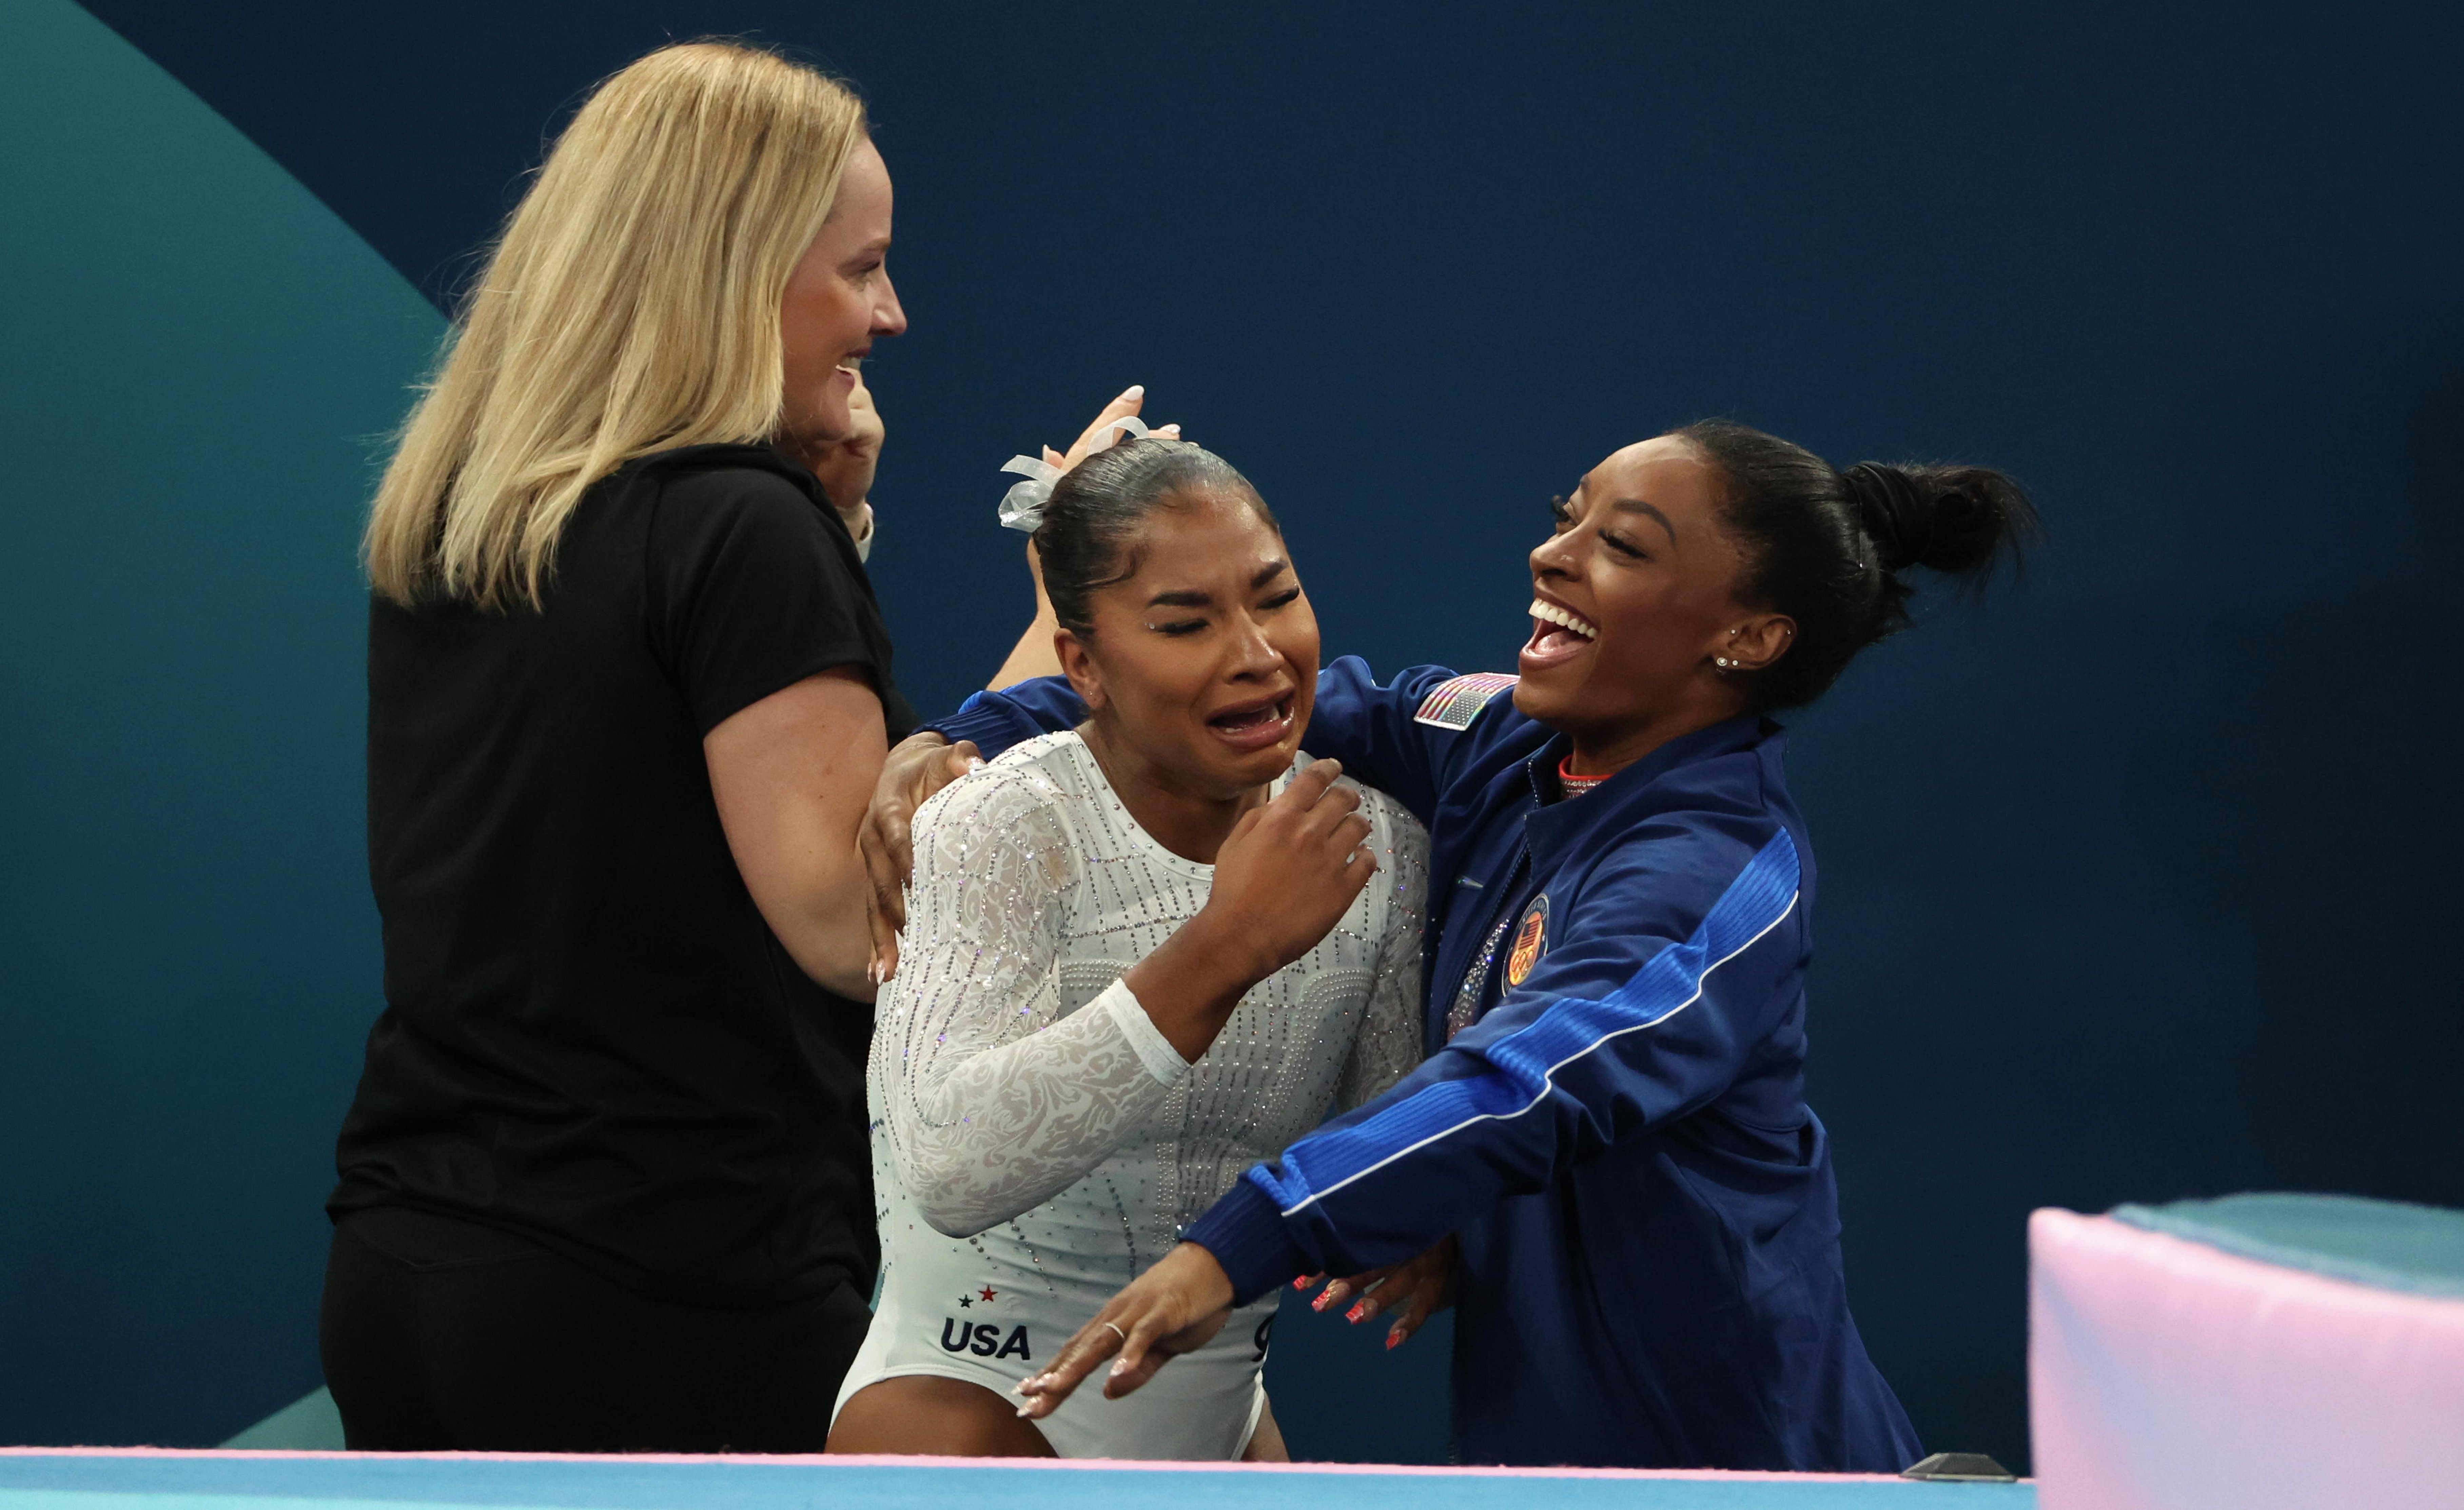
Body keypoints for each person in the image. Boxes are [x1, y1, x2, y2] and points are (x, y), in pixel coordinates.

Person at [866, 420, 2037, 1469]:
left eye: (1621, 546)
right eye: (1563, 518)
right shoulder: (1495, 739)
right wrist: (964, 733)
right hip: (1539, 1447)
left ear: (1745, 635)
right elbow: (1251, 697)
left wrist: (1243, 1240)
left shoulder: (1713, 873)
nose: (1552, 555)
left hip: (1735, 1458)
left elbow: (1521, 1083)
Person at [319, 41, 915, 1453]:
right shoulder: (744, 530)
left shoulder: (468, 515)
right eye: (862, 268)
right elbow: (848, 920)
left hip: (410, 1274)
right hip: (668, 1295)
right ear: (730, 271)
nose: (889, 315)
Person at [826, 436, 1429, 1460]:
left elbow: (1387, 1147)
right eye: (1185, 623)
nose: (1255, 652)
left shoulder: (1374, 840)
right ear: (1082, 665)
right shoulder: (998, 824)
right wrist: (1223, 946)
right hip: (966, 1408)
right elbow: (952, 1167)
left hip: (1226, 1425)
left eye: (1275, 597)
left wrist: (1419, 1214)